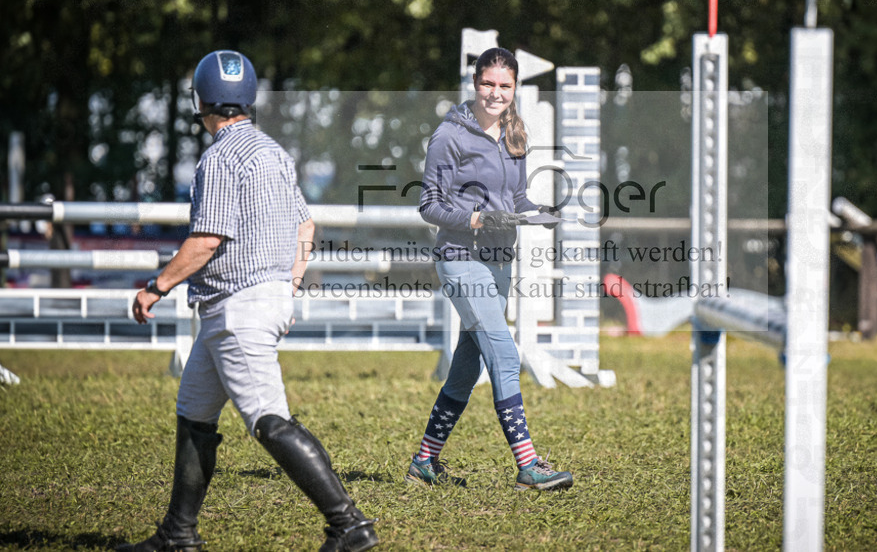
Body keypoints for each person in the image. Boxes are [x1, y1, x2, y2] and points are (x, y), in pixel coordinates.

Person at [119, 50, 379, 552]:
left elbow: (206, 240)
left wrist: (156, 287)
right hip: (244, 304)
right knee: (194, 412)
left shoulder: (218, 158)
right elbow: (306, 224)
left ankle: (350, 526)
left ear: (201, 100)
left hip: (237, 308)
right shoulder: (273, 151)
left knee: (268, 419)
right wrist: (291, 281)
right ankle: (178, 533)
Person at [406, 47, 573, 491]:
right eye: (488, 84)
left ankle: (425, 460)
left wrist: (541, 212)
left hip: (500, 262)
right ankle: (529, 465)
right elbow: (429, 206)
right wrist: (477, 219)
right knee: (503, 352)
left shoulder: (515, 134)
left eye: (505, 86)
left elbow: (516, 201)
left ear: (514, 88)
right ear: (475, 83)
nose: (496, 93)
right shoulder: (449, 135)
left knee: (467, 362)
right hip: (461, 261)